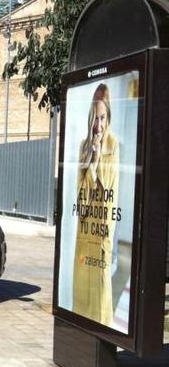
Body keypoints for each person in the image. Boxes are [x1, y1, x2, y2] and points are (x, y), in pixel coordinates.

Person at [72, 83, 118, 326]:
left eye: (103, 118)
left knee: (100, 302)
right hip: (84, 231)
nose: (98, 126)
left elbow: (105, 190)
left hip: (101, 234)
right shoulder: (83, 147)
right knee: (81, 299)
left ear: (108, 117)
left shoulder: (112, 147)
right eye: (95, 118)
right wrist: (90, 158)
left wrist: (96, 161)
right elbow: (81, 198)